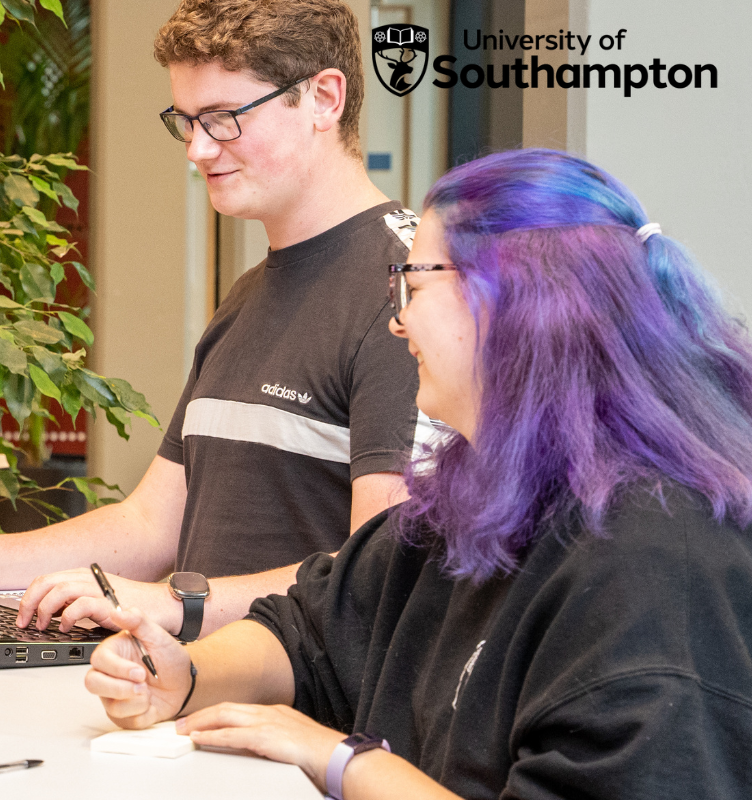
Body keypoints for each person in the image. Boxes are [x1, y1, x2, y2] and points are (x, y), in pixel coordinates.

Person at [85, 148, 752, 798]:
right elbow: (311, 629)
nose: (398, 322)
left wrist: (341, 759)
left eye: (415, 285)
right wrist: (187, 673)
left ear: (511, 300)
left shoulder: (656, 569)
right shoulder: (474, 494)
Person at [0, 0, 420, 643]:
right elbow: (152, 526)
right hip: (197, 695)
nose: (198, 150)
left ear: (324, 98)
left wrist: (175, 604)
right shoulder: (249, 295)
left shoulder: (412, 293)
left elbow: (384, 575)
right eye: (187, 121)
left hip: (310, 723)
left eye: (225, 119)